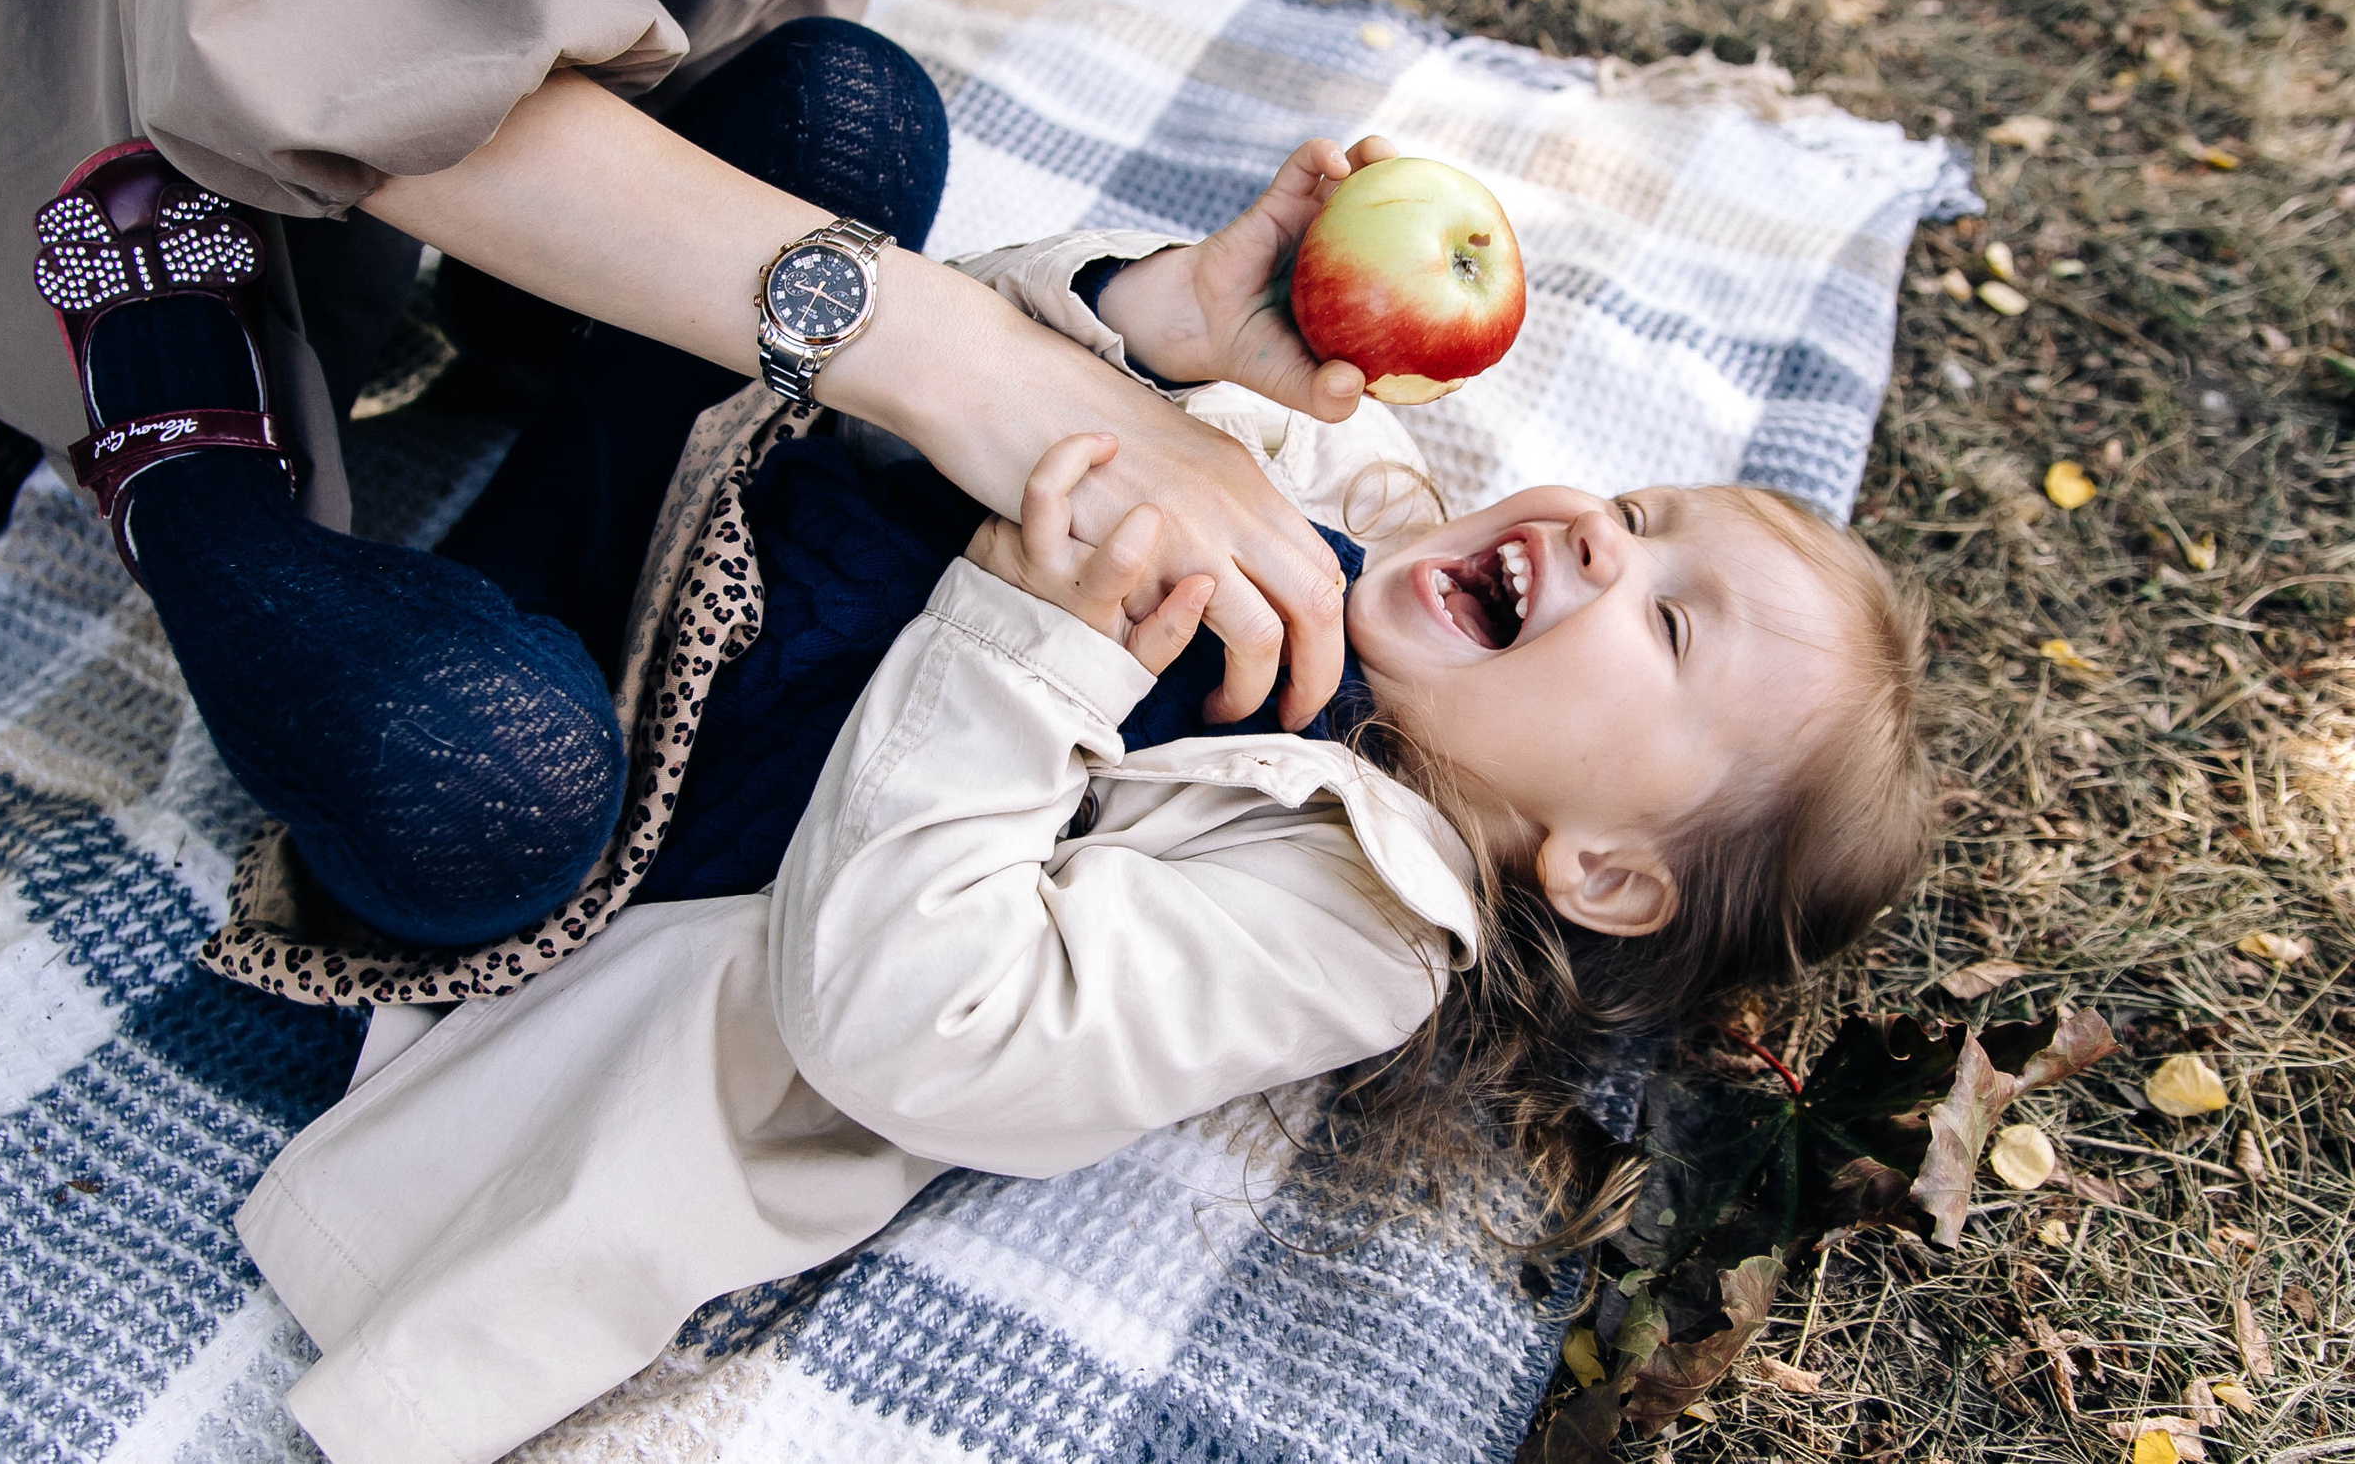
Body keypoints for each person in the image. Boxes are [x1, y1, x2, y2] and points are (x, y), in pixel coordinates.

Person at [229, 142, 1937, 1464]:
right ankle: (484, 319)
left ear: (1613, 876)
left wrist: (1023, 646)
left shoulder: (1344, 921)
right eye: (1642, 513)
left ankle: (183, 454)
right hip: (694, 536)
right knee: (846, 104)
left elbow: (917, 1026)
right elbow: (938, 358)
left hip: (600, 838)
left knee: (468, 764)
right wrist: (1158, 319)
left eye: (1667, 620)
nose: (1599, 541)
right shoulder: (1333, 508)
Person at [0, 0, 1360, 822]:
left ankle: (434, 471)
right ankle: (201, 485)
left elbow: (790, 3)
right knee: (483, 774)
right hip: (73, 31)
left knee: (843, 108)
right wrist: (1001, 364)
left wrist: (1128, 329)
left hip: (537, 179)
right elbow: (309, 11)